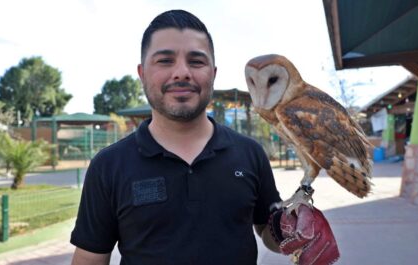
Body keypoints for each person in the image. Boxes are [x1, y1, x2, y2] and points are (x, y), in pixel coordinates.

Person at [70, 9, 338, 265]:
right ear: (142, 74)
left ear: (213, 74)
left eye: (196, 61)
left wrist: (290, 227)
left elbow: (267, 233)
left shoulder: (249, 153)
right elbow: (90, 258)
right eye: (165, 60)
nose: (182, 72)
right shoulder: (108, 166)